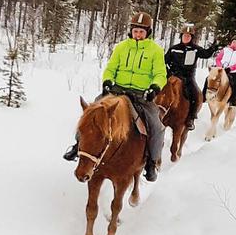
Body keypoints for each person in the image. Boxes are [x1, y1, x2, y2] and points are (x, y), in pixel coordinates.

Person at [63, 12, 167, 182]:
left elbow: (160, 73)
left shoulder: (155, 50)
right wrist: (107, 81)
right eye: (135, 31)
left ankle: (151, 162)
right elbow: (111, 68)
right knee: (90, 113)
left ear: (148, 32)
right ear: (131, 31)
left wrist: (154, 87)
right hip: (117, 91)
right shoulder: (121, 47)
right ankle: (77, 147)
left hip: (141, 95)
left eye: (141, 31)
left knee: (156, 124)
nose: (138, 34)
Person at [164, 28, 218, 130]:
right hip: (173, 76)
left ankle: (191, 117)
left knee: (195, 94)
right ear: (181, 36)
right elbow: (165, 61)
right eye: (184, 35)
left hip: (188, 77)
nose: (186, 37)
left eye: (188, 36)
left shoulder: (195, 49)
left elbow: (206, 54)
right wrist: (169, 71)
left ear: (191, 38)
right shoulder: (174, 49)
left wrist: (213, 48)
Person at [215, 39, 236, 107]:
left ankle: (234, 100)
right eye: (233, 42)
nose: (234, 43)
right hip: (221, 69)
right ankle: (205, 95)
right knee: (210, 78)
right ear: (231, 43)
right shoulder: (225, 50)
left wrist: (231, 68)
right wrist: (220, 66)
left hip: (233, 72)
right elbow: (218, 59)